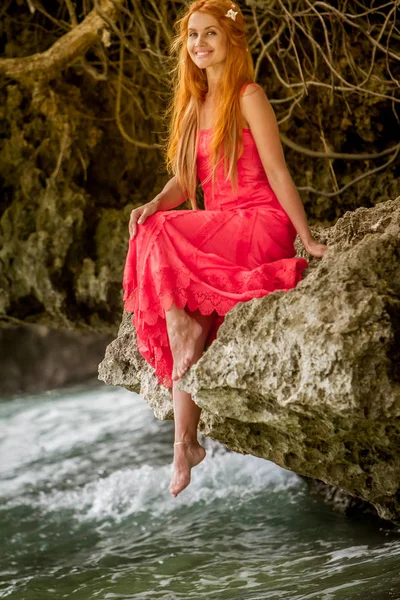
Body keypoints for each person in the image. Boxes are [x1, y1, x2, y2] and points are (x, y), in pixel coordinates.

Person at [123, 0, 328, 498]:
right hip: (220, 228)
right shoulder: (194, 104)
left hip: (259, 222)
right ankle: (184, 444)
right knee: (180, 318)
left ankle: (184, 437)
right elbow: (186, 180)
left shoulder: (249, 95)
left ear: (231, 41)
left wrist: (307, 239)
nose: (199, 44)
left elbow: (278, 172)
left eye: (210, 34)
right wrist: (153, 202)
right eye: (193, 36)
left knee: (164, 233)